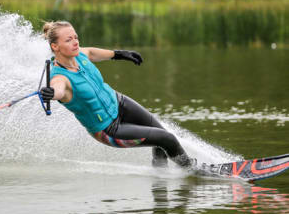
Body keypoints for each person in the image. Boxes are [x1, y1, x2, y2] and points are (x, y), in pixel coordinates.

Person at [40, 21, 194, 168]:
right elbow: (58, 89)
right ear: (55, 46)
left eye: (76, 37)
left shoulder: (80, 55)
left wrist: (119, 54)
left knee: (162, 135)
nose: (75, 42)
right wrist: (51, 93)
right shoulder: (60, 78)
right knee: (167, 139)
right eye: (68, 40)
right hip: (108, 129)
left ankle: (160, 174)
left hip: (120, 103)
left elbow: (92, 52)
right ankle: (192, 170)